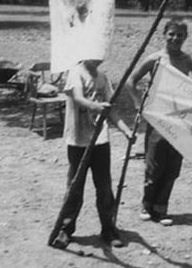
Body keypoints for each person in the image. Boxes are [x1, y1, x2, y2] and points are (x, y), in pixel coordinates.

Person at [126, 18, 192, 226]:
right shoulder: (155, 59)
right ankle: (147, 204)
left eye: (180, 35)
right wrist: (139, 106)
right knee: (154, 163)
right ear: (164, 35)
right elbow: (131, 82)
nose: (175, 38)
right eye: (171, 34)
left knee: (172, 166)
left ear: (185, 37)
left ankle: (162, 208)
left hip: (180, 119)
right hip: (158, 118)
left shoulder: (190, 60)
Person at [50, 59, 134, 249]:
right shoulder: (76, 72)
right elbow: (78, 98)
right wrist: (96, 107)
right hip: (78, 140)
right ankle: (65, 229)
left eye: (101, 53)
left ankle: (108, 228)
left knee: (104, 187)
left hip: (100, 141)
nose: (97, 56)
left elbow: (111, 111)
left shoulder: (103, 77)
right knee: (75, 186)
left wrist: (126, 130)